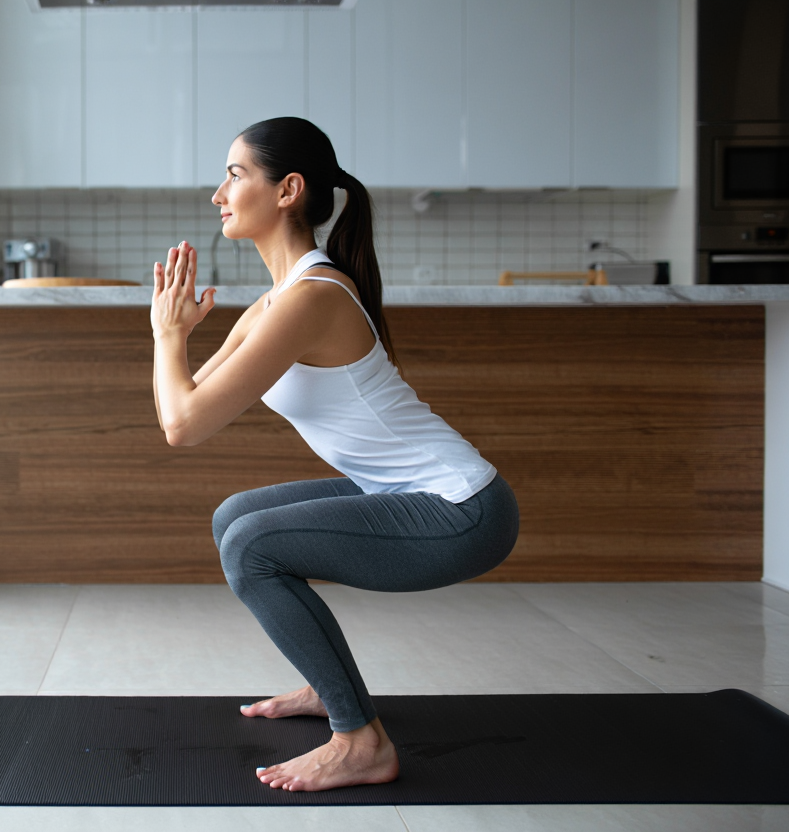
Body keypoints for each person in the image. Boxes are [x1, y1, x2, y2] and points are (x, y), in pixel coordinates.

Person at [149, 117, 521, 793]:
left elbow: (184, 425)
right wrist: (168, 336)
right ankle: (330, 687)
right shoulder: (275, 302)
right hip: (407, 495)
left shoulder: (313, 297)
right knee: (235, 518)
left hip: (464, 511)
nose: (218, 194)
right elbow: (183, 405)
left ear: (288, 189)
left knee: (252, 546)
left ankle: (360, 743)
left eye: (234, 174)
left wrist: (168, 337)